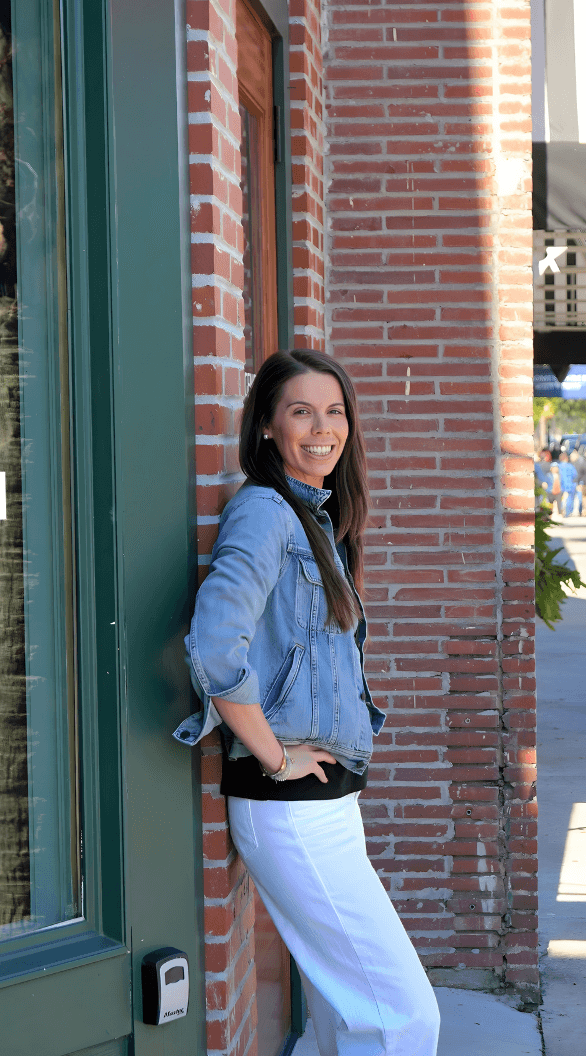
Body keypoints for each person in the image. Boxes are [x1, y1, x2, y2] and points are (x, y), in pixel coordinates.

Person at [173, 350, 440, 1055]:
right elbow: (212, 643)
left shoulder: (311, 513)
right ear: (265, 425)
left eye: (335, 411)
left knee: (343, 1013)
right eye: (300, 411)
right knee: (404, 1019)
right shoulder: (266, 512)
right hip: (291, 810)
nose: (322, 428)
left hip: (322, 807)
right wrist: (272, 753)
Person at [557, 450, 578, 516]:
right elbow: (575, 475)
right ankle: (568, 512)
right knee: (570, 499)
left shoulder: (558, 466)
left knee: (560, 499)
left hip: (560, 485)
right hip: (570, 485)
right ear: (566, 458)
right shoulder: (570, 466)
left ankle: (561, 511)